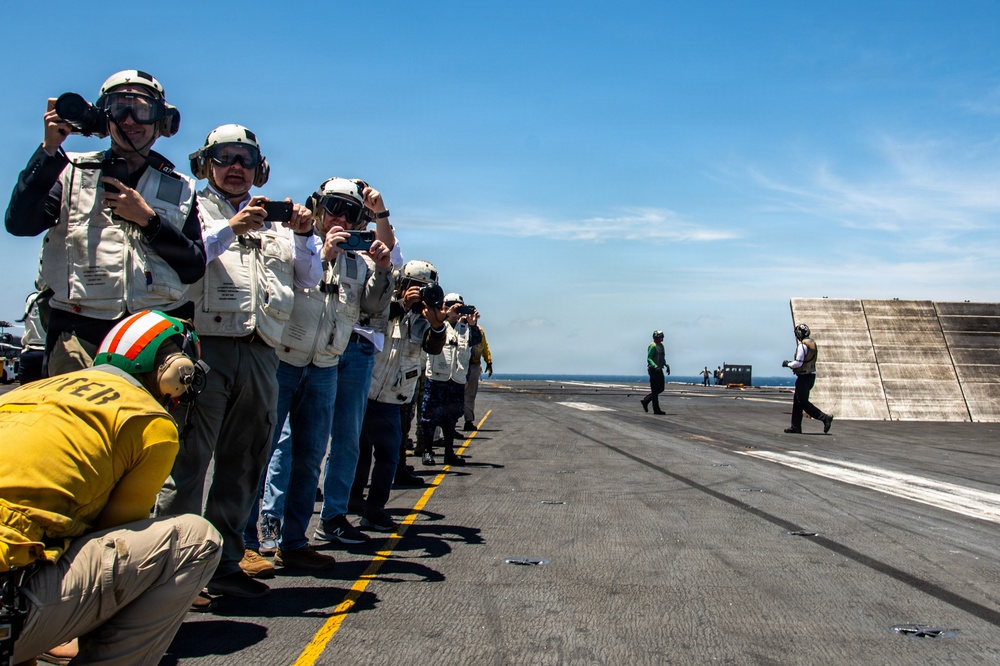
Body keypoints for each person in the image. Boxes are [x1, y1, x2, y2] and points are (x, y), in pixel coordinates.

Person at [154, 125, 321, 597]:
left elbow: (308, 278)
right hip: (205, 348)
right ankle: (171, 575)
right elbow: (184, 262)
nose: (235, 167)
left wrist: (303, 235)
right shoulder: (190, 208)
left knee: (245, 462)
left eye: (245, 159)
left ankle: (224, 563)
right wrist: (232, 228)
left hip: (262, 350)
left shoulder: (274, 223)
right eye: (224, 157)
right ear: (205, 164)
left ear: (258, 169)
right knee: (187, 463)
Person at [0, 310, 221, 665]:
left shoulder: (24, 393)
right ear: (177, 373)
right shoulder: (149, 422)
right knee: (197, 540)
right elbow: (113, 535)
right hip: (10, 601)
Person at [4, 70, 205, 377]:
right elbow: (20, 223)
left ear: (161, 122)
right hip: (78, 332)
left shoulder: (181, 188)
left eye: (141, 110)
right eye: (118, 108)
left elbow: (193, 266)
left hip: (153, 334)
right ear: (103, 117)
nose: (129, 120)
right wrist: (48, 150)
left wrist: (148, 221)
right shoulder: (69, 171)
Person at [251, 177, 393, 563]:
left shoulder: (357, 262)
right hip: (285, 358)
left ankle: (294, 542)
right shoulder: (292, 243)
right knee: (265, 449)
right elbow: (284, 284)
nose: (341, 219)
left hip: (326, 364)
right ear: (317, 207)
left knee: (310, 455)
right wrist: (323, 255)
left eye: (351, 213)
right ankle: (252, 538)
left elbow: (373, 307)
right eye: (334, 208)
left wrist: (382, 270)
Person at [350, 260, 447, 531]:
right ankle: (351, 500)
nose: (420, 293)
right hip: (365, 389)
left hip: (394, 397)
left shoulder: (425, 317)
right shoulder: (384, 303)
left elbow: (434, 348)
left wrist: (437, 326)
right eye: (416, 287)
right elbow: (369, 317)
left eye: (426, 289)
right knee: (357, 452)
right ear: (402, 284)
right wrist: (403, 304)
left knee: (389, 456)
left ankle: (375, 510)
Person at [416, 293, 473, 466]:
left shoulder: (465, 328)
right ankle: (427, 451)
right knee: (429, 417)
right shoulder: (436, 323)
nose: (456, 310)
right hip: (437, 378)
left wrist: (472, 324)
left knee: (451, 419)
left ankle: (449, 453)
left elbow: (474, 344)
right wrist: (444, 317)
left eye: (459, 306)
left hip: (455, 380)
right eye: (451, 305)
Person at [782, 324, 834, 434]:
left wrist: (788, 364)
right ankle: (795, 426)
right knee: (797, 402)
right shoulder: (812, 343)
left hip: (804, 377)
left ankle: (824, 418)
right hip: (811, 376)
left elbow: (798, 363)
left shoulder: (802, 346)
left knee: (803, 402)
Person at [463, 309, 493, 431]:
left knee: (470, 395)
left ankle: (468, 420)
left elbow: (485, 347)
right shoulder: (459, 328)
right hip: (459, 366)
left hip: (474, 365)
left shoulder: (480, 331)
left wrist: (489, 362)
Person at [15, 291, 46, 385]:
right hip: (49, 354)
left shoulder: (32, 298)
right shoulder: (56, 299)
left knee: (26, 390)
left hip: (29, 352)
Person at [640, 330, 669, 415]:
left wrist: (666, 365)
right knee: (655, 390)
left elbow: (662, 357)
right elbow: (649, 358)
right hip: (653, 370)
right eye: (661, 337)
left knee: (661, 388)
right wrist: (654, 366)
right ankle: (656, 409)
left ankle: (646, 400)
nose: (662, 338)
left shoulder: (661, 346)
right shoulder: (653, 346)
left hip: (659, 369)